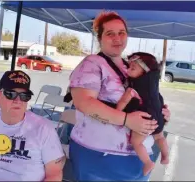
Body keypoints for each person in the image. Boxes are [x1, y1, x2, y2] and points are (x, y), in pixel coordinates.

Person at [68, 11, 171, 181]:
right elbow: (83, 103)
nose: (117, 38)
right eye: (110, 34)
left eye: (121, 33)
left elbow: (148, 96)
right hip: (99, 159)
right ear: (100, 38)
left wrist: (161, 113)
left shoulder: (131, 66)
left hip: (136, 161)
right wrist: (126, 119)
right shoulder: (92, 63)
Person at [116, 52, 169, 176]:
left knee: (136, 142)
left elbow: (123, 101)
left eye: (132, 68)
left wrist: (117, 112)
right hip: (159, 115)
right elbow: (160, 99)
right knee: (159, 137)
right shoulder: (154, 85)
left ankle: (147, 163)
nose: (128, 71)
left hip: (145, 118)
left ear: (144, 71)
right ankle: (165, 155)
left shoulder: (134, 88)